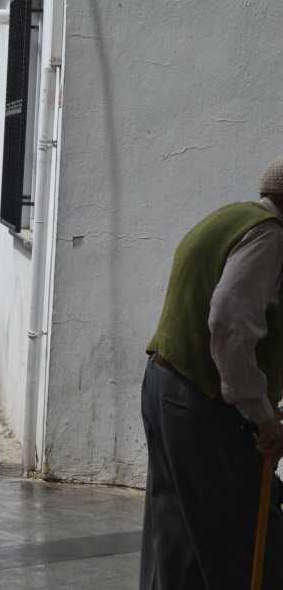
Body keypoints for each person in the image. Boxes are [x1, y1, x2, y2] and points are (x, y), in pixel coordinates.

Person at [140, 158, 283, 589]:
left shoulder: (232, 218)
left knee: (176, 537)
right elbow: (229, 324)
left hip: (167, 383)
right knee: (241, 539)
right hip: (199, 402)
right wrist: (263, 417)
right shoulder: (269, 237)